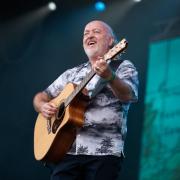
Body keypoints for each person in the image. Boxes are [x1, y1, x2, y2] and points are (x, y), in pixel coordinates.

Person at [33, 20, 138, 180]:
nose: (89, 35)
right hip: (67, 152)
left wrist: (109, 76)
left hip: (103, 152)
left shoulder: (122, 66)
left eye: (96, 31)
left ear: (111, 41)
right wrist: (43, 106)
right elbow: (41, 96)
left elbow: (129, 95)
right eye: (86, 33)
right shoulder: (72, 74)